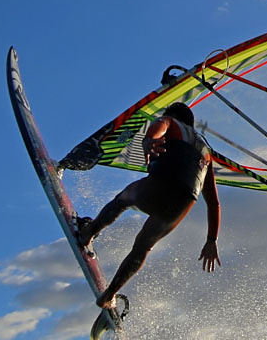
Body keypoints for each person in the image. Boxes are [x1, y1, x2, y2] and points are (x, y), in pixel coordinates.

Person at [76, 102, 221, 309]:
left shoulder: (171, 122)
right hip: (181, 204)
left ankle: (88, 233)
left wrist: (149, 140)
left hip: (159, 185)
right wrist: (211, 239)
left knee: (122, 200)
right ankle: (109, 296)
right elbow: (214, 203)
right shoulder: (207, 155)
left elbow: (160, 125)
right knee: (143, 247)